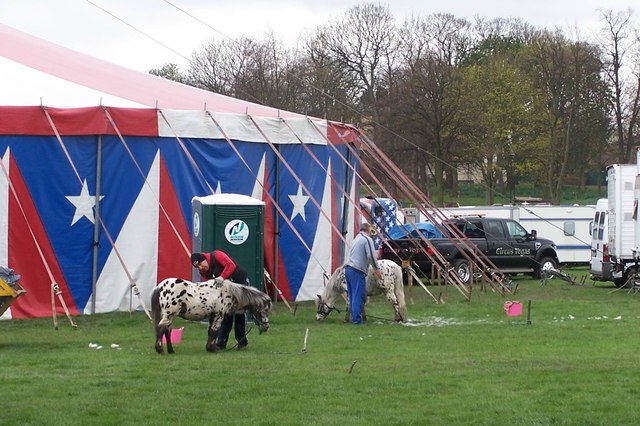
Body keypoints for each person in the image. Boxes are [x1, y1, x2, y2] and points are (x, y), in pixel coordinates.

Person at [191, 251, 249, 350]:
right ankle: (221, 343)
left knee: (239, 313)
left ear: (204, 259)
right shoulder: (203, 271)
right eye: (197, 267)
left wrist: (222, 277)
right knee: (225, 315)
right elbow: (207, 284)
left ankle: (242, 342)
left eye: (200, 264)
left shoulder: (217, 255)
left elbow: (231, 265)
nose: (200, 268)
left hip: (240, 283)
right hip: (226, 289)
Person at [344, 222, 382, 325]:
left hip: (348, 269)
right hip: (357, 270)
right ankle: (356, 320)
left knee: (352, 296)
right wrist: (377, 269)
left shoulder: (355, 240)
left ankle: (354, 317)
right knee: (359, 296)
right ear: (368, 230)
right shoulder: (367, 239)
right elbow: (371, 255)